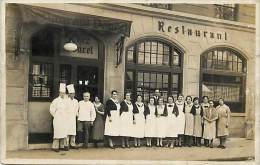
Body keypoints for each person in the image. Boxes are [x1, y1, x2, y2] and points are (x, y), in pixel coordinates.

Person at [49, 83, 69, 152]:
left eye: (64, 93)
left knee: (64, 132)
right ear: (59, 93)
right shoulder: (56, 100)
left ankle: (62, 146)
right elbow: (51, 110)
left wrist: (65, 116)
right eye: (61, 93)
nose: (62, 94)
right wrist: (57, 116)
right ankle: (55, 147)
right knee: (57, 132)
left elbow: (67, 109)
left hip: (64, 119)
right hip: (58, 119)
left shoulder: (66, 101)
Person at [66, 84, 79, 149]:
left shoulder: (76, 101)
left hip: (73, 118)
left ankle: (72, 144)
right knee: (67, 131)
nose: (72, 95)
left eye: (73, 93)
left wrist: (77, 116)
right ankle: (66, 144)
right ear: (68, 94)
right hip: (67, 118)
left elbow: (77, 110)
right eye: (71, 93)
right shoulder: (66, 101)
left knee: (73, 131)